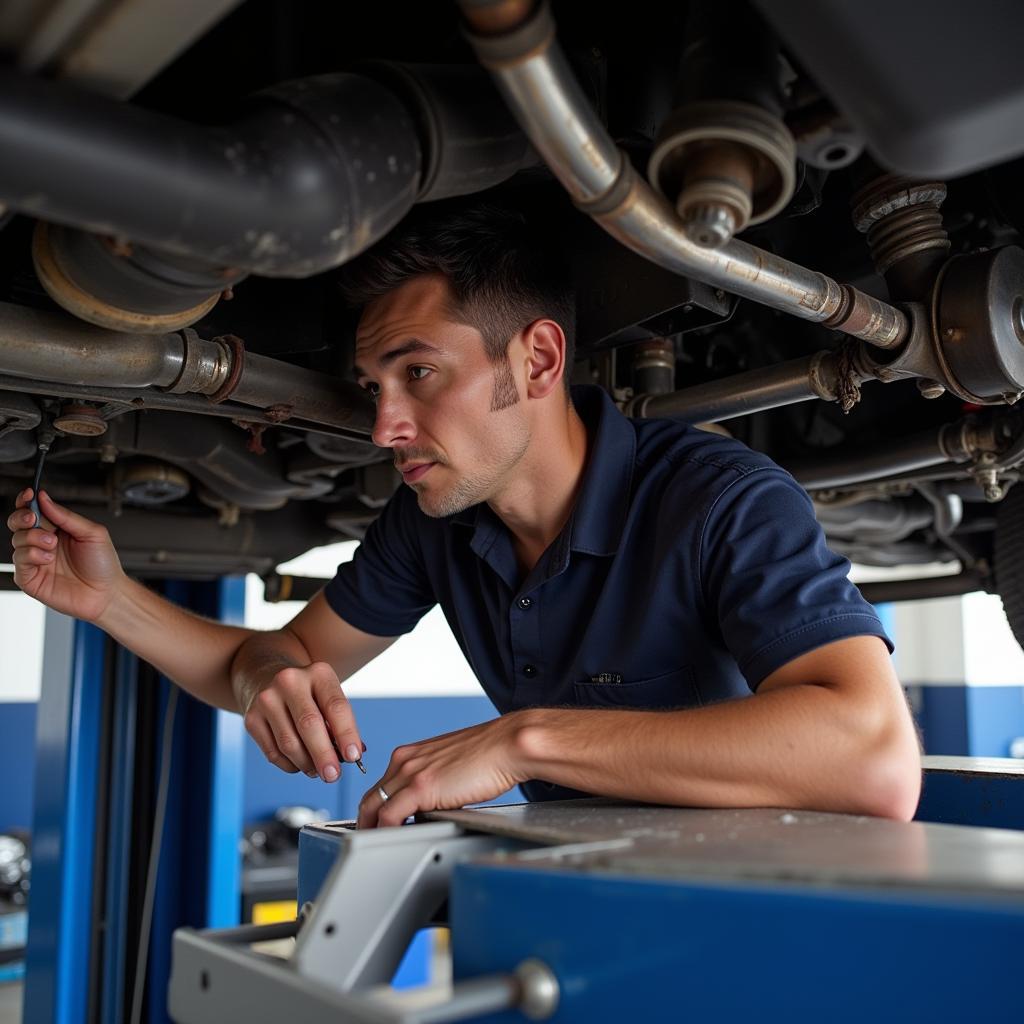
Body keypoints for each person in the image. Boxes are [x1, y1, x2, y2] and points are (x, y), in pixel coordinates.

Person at [7, 201, 922, 829]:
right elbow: (272, 658)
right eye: (373, 386)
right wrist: (119, 604)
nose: (381, 425)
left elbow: (874, 758)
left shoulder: (721, 501)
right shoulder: (434, 522)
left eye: (419, 373)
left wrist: (523, 742)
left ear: (536, 360)